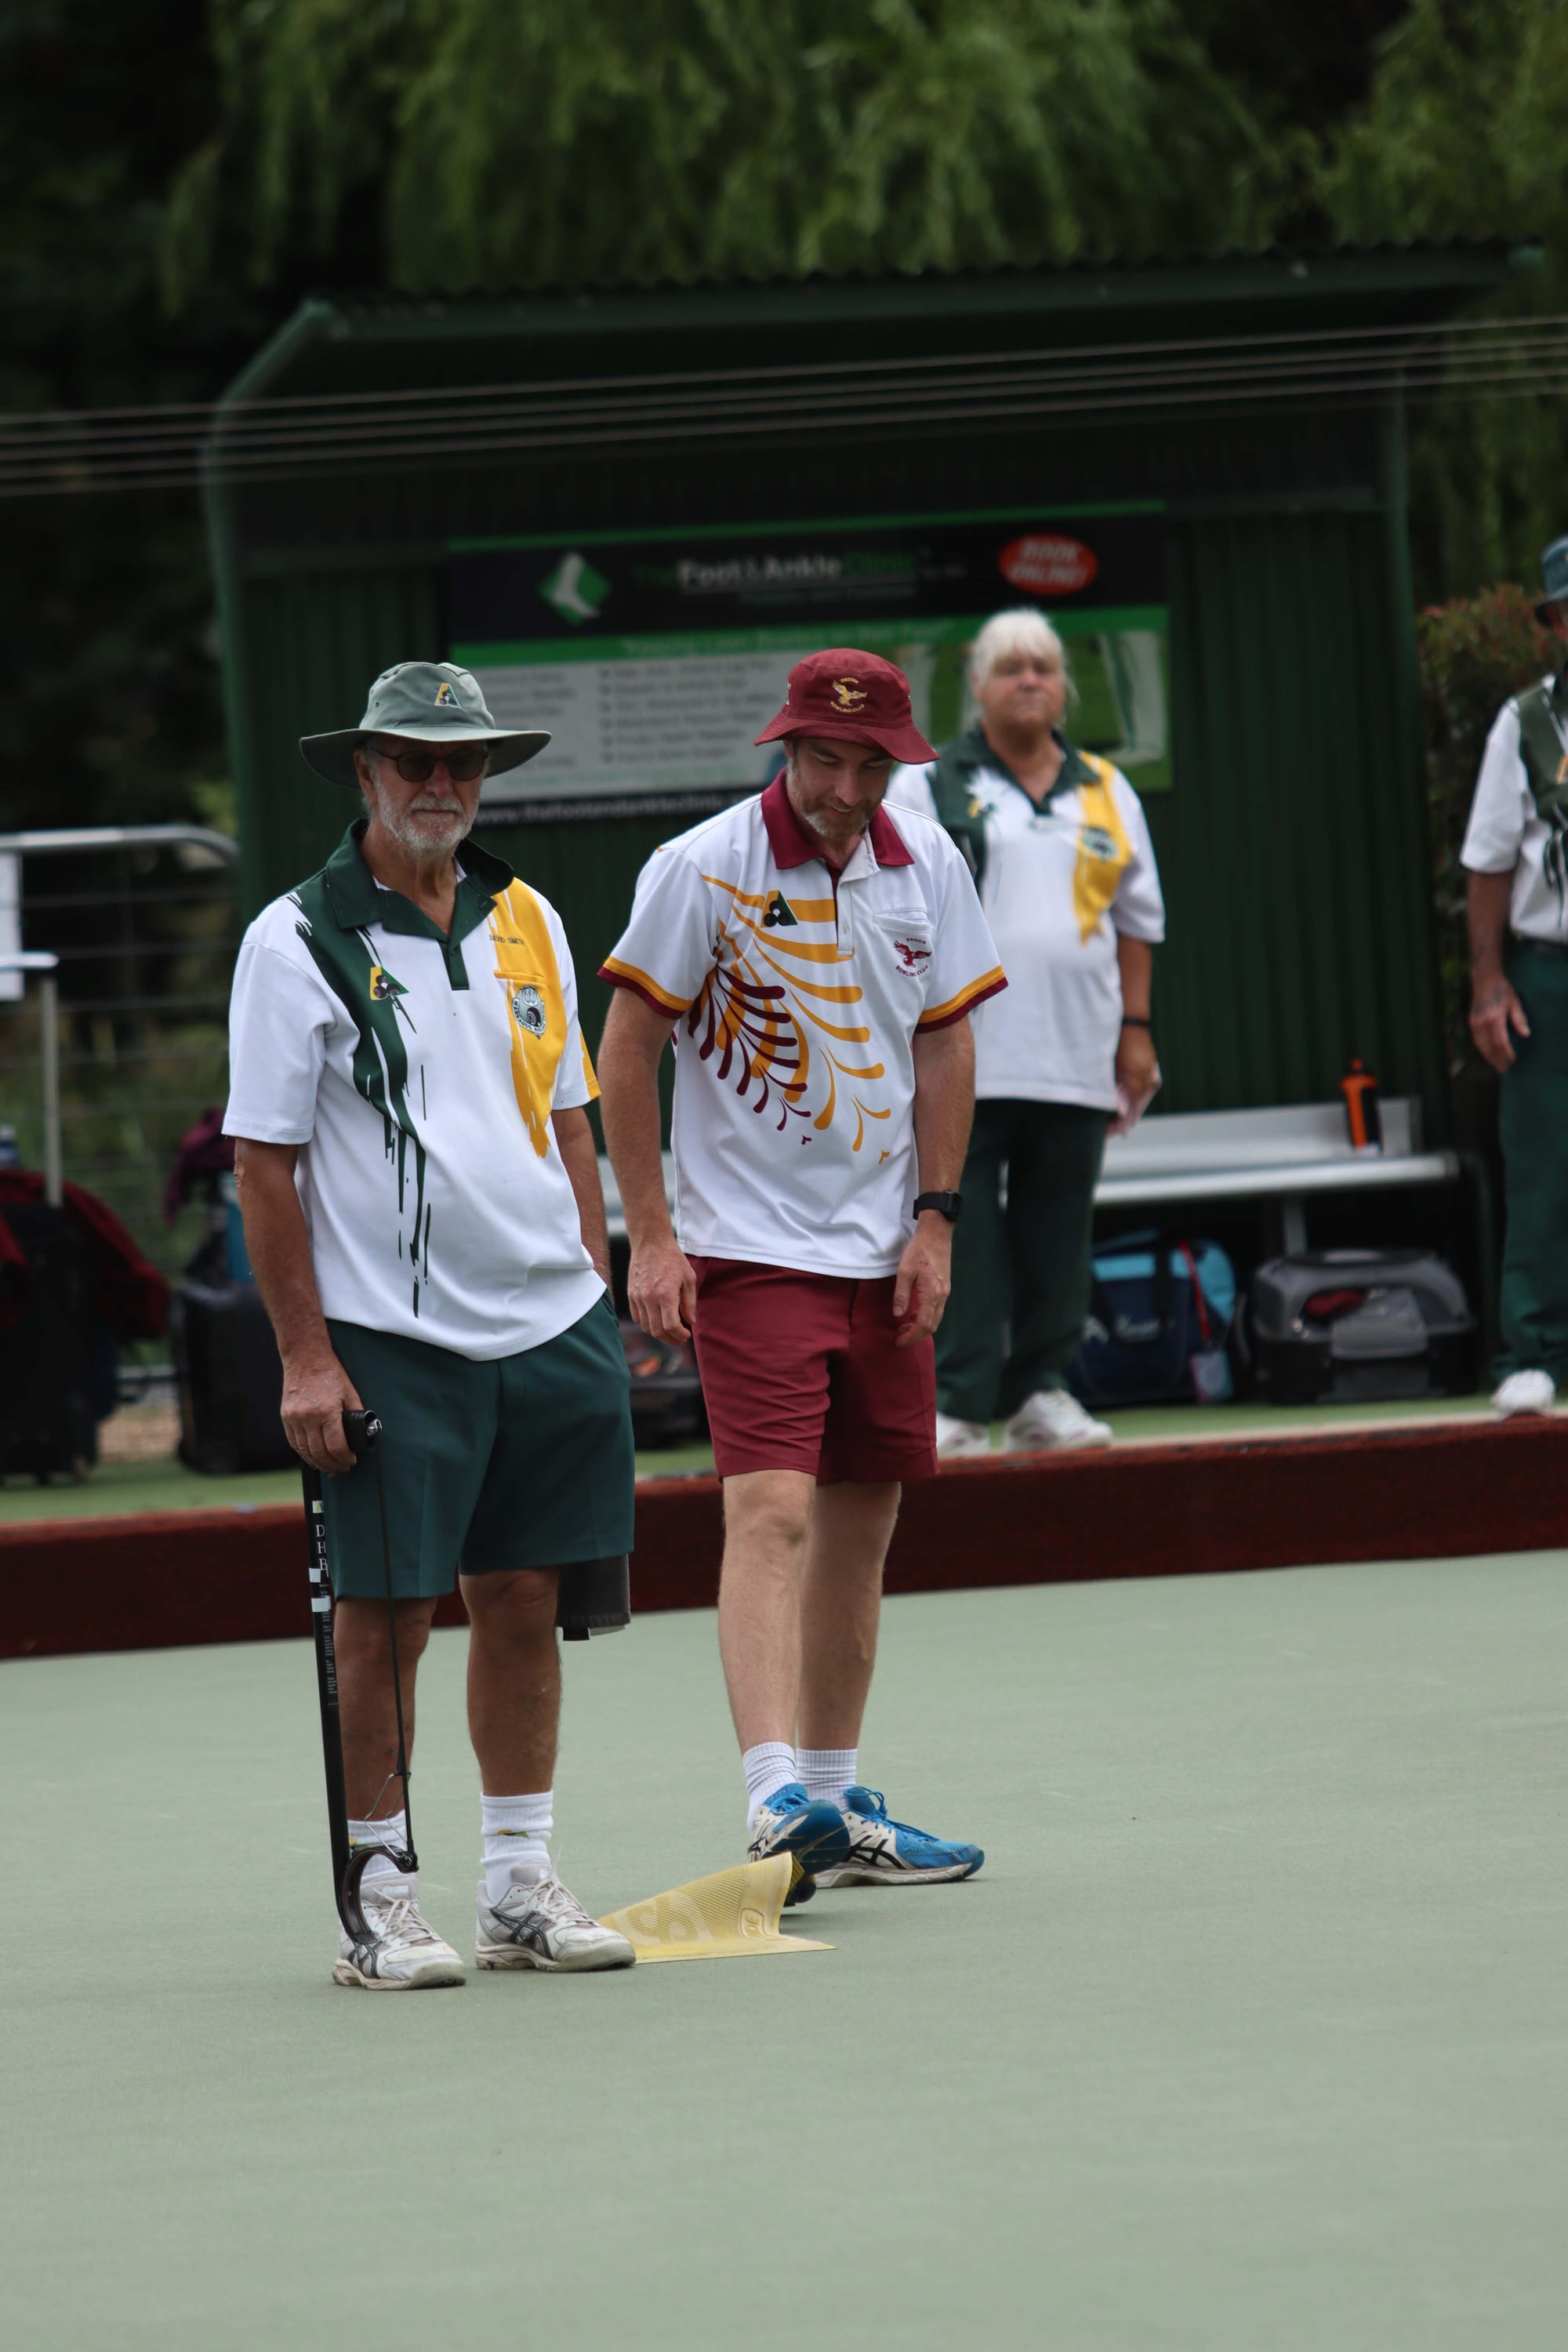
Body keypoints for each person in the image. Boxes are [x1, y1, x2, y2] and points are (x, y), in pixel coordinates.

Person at [224, 660, 636, 1987]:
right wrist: (306, 1357)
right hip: (393, 1335)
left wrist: (596, 1284)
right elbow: (264, 1163)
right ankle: (381, 1897)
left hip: (552, 1324)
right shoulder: (295, 938)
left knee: (524, 1593)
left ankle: (518, 1881)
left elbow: (570, 1119)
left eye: (464, 762)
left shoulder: (529, 914)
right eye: (415, 761)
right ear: (366, 772)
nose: (442, 783)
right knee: (389, 1614)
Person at [596, 648, 1004, 1901]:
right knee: (769, 1511)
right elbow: (626, 1051)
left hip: (889, 1254)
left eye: (870, 766)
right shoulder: (700, 866)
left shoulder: (929, 864)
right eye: (824, 760)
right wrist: (652, 1234)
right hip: (751, 1250)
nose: (844, 789)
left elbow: (946, 1048)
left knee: (865, 1518)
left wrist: (936, 1225)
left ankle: (834, 1799)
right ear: (787, 748)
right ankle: (774, 1795)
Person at [887, 608, 1166, 1457]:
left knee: (1058, 1232)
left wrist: (1136, 1029)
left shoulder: (1105, 787)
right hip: (959, 1054)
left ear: (1064, 687)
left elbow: (1137, 920)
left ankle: (1041, 1391)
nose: (1029, 680)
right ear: (976, 686)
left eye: (1043, 667)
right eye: (1010, 667)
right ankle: (959, 1401)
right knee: (958, 1230)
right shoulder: (925, 783)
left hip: (1077, 1048)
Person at [1461, 537, 1568, 1418]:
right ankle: (1533, 1350)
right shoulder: (1525, 721)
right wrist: (1488, 981)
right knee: (1541, 1160)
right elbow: (1490, 859)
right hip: (1549, 971)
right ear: (1556, 622)